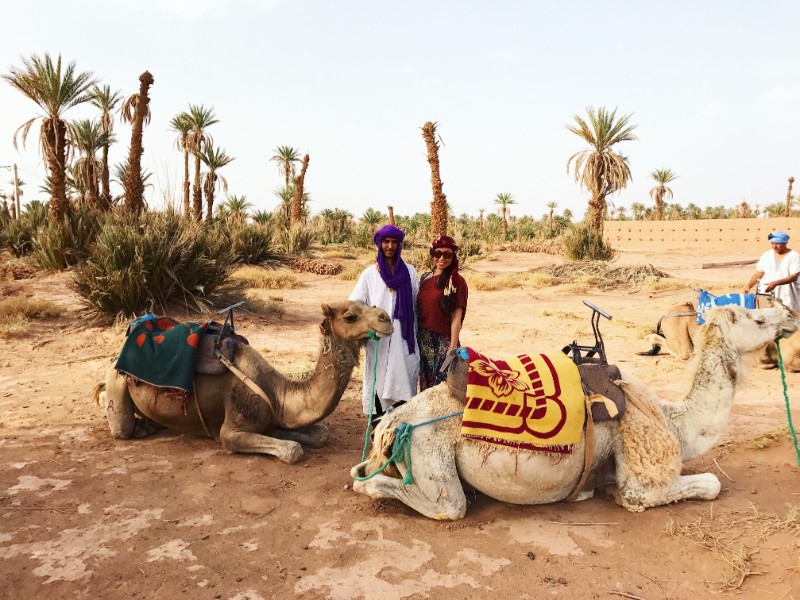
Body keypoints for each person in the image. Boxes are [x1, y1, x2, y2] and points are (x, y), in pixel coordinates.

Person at [349, 224, 419, 418]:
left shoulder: (410, 272)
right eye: (386, 242)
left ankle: (401, 427)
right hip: (378, 340)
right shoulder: (369, 274)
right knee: (377, 384)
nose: (390, 246)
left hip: (404, 338)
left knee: (404, 384)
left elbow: (417, 303)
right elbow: (355, 304)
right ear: (379, 244)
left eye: (394, 242)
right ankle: (377, 429)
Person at [416, 235, 468, 391]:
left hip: (443, 343)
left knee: (443, 388)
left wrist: (451, 349)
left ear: (453, 256)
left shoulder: (457, 281)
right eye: (437, 253)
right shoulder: (425, 278)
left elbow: (456, 316)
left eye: (447, 254)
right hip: (423, 340)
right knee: (426, 388)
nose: (442, 258)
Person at [743, 231, 800, 312]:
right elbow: (760, 272)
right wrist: (748, 285)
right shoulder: (767, 255)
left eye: (777, 244)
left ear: (785, 243)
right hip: (767, 293)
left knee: (788, 316)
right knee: (766, 316)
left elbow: (794, 277)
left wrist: (776, 283)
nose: (774, 246)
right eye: (772, 243)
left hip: (787, 295)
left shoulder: (794, 256)